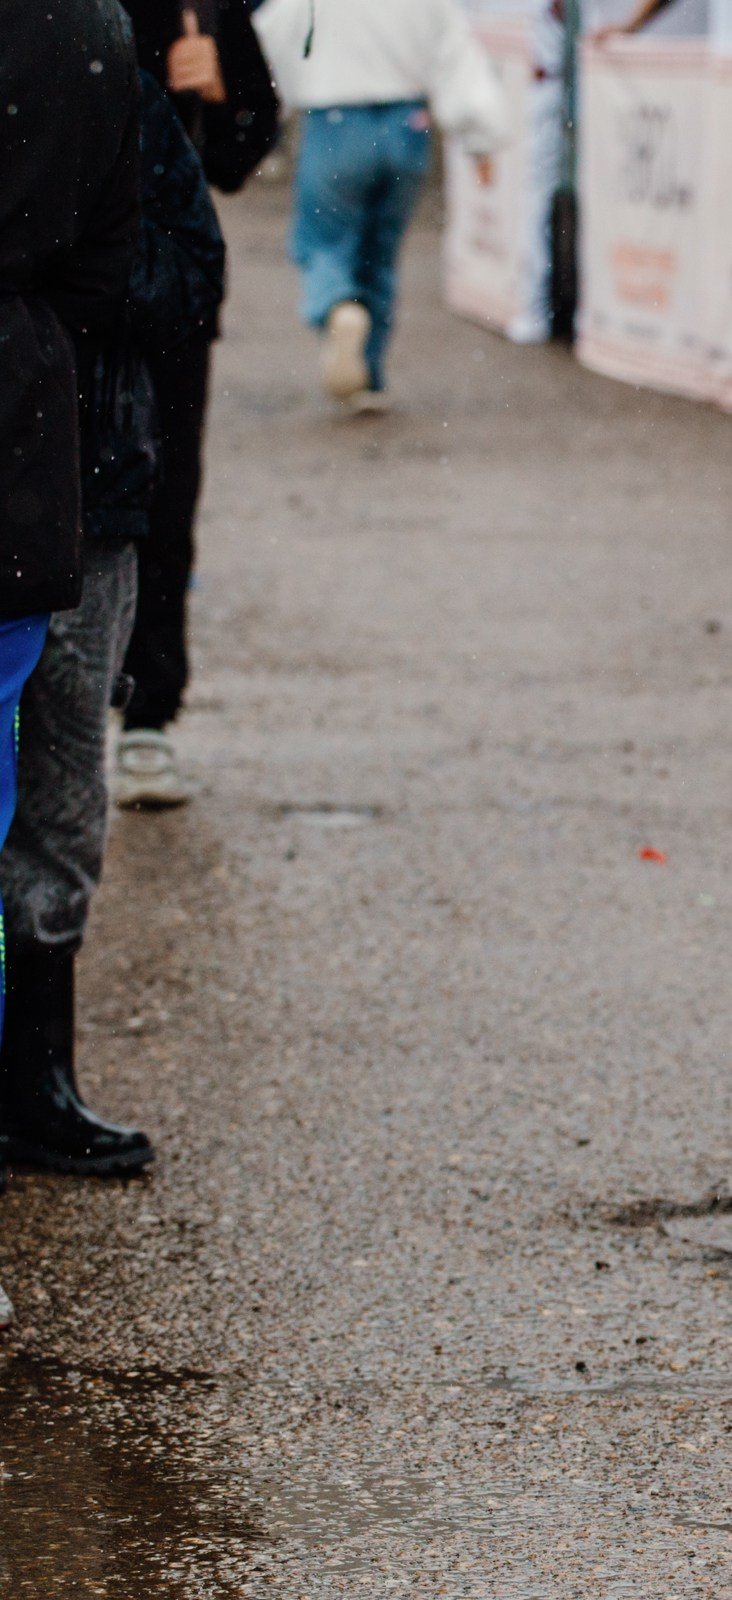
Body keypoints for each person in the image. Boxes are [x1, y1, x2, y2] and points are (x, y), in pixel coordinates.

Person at [0, 65, 224, 1178]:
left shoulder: (104, 81)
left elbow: (194, 275)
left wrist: (61, 279)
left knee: (60, 785)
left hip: (90, 491)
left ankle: (38, 1072)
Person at [0, 0, 143, 1188]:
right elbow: (114, 265)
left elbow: (156, 271)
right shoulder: (89, 27)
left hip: (71, 471)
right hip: (39, 437)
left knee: (45, 782)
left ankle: (34, 1075)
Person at [112, 0, 282, 811]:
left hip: (163, 297)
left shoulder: (199, 5)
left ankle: (148, 713)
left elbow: (248, 146)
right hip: (47, 297)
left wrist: (220, 97)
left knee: (164, 497)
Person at [253, 0, 504, 411]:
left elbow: (270, 39)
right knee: (380, 252)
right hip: (407, 123)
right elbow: (455, 52)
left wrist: (255, 121)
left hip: (336, 120)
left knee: (323, 239)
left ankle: (336, 306)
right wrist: (480, 134)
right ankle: (369, 373)